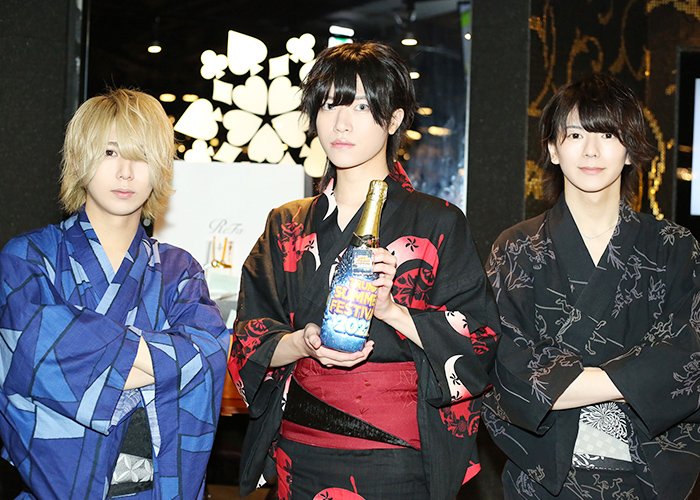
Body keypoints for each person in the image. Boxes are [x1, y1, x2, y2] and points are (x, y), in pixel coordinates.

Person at [229, 42, 499, 500]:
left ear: (394, 120)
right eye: (329, 105)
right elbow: (250, 339)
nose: (341, 122)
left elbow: (479, 342)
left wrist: (392, 311)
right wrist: (302, 343)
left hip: (396, 457)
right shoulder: (286, 223)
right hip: (300, 451)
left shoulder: (439, 221)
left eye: (361, 106)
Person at [0, 89, 230, 499]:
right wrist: (164, 362)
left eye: (141, 156)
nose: (125, 172)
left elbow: (209, 352)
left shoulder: (179, 270)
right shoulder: (29, 258)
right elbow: (26, 357)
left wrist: (82, 359)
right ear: (80, 159)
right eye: (109, 152)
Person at [482, 72, 700, 499]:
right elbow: (505, 366)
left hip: (644, 478)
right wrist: (635, 379)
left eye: (608, 134)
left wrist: (566, 381)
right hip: (542, 481)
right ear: (552, 148)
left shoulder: (674, 247)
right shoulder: (517, 248)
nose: (592, 151)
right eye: (576, 134)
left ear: (630, 149)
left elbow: (687, 360)